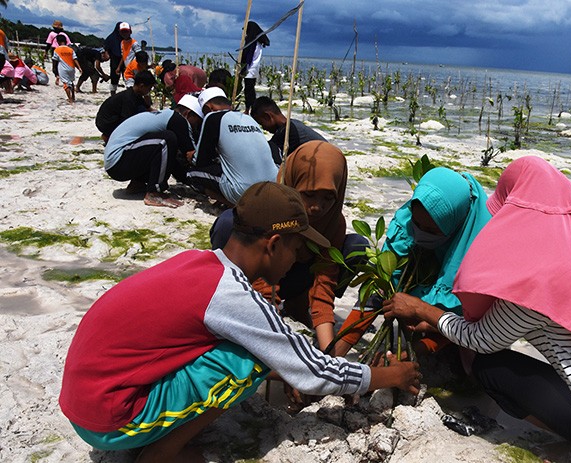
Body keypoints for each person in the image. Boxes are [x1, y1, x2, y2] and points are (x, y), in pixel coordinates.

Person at [60, 181, 420, 463]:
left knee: (254, 352)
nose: (296, 259)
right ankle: (159, 456)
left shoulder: (201, 263)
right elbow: (312, 369)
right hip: (111, 418)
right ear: (273, 244)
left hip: (87, 398)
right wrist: (390, 376)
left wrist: (286, 368)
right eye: (295, 249)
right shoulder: (232, 296)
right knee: (250, 360)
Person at [384, 156, 571, 457]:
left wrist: (424, 310)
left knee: (487, 367)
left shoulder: (535, 283)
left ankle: (569, 430)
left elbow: (481, 340)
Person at [210, 141, 367, 352]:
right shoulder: (267, 212)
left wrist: (328, 353)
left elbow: (324, 284)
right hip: (256, 274)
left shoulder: (333, 223)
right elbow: (261, 279)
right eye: (308, 195)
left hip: (298, 274)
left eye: (328, 197)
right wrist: (273, 339)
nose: (317, 207)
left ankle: (298, 305)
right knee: (228, 222)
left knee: (357, 246)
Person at [334, 167, 491, 357]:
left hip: (462, 331)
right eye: (417, 224)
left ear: (455, 225)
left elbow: (467, 320)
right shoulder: (407, 225)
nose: (420, 234)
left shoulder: (478, 250)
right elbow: (382, 285)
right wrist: (333, 356)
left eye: (431, 231)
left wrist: (408, 355)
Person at [185, 87, 279, 207]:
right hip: (273, 189)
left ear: (209, 107)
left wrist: (192, 156)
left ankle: (232, 204)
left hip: (243, 192)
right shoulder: (248, 118)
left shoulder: (213, 117)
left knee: (192, 174)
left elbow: (201, 161)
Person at [103, 105, 196, 208]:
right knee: (166, 140)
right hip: (118, 162)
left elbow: (169, 159)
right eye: (198, 120)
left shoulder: (164, 116)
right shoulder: (178, 119)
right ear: (188, 113)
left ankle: (138, 183)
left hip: (115, 163)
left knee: (160, 147)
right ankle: (154, 193)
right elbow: (190, 153)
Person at [251, 95, 327, 165]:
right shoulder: (294, 123)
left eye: (261, 123)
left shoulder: (287, 131)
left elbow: (268, 154)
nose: (263, 128)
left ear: (267, 116)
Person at [95, 70, 155, 142]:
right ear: (141, 86)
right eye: (149, 88)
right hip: (105, 122)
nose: (149, 91)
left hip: (111, 118)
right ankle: (109, 136)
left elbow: (148, 109)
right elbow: (127, 120)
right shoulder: (129, 98)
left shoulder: (136, 94)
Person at [241, 21, 269, 114]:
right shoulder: (258, 41)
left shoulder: (252, 42)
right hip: (255, 69)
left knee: (248, 91)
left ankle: (249, 109)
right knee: (250, 90)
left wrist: (243, 68)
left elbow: (248, 56)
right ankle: (250, 108)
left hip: (250, 69)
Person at [51, 34, 82, 103]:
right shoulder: (71, 50)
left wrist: (54, 70)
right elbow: (75, 59)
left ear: (58, 41)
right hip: (71, 68)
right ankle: (73, 97)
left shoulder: (57, 50)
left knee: (66, 84)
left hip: (63, 69)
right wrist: (79, 67)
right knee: (71, 82)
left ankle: (70, 99)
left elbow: (54, 61)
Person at [104, 22, 124, 95]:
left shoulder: (124, 37)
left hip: (124, 60)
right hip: (114, 60)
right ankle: (113, 94)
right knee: (114, 78)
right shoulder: (111, 37)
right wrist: (107, 54)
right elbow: (106, 47)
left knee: (127, 77)